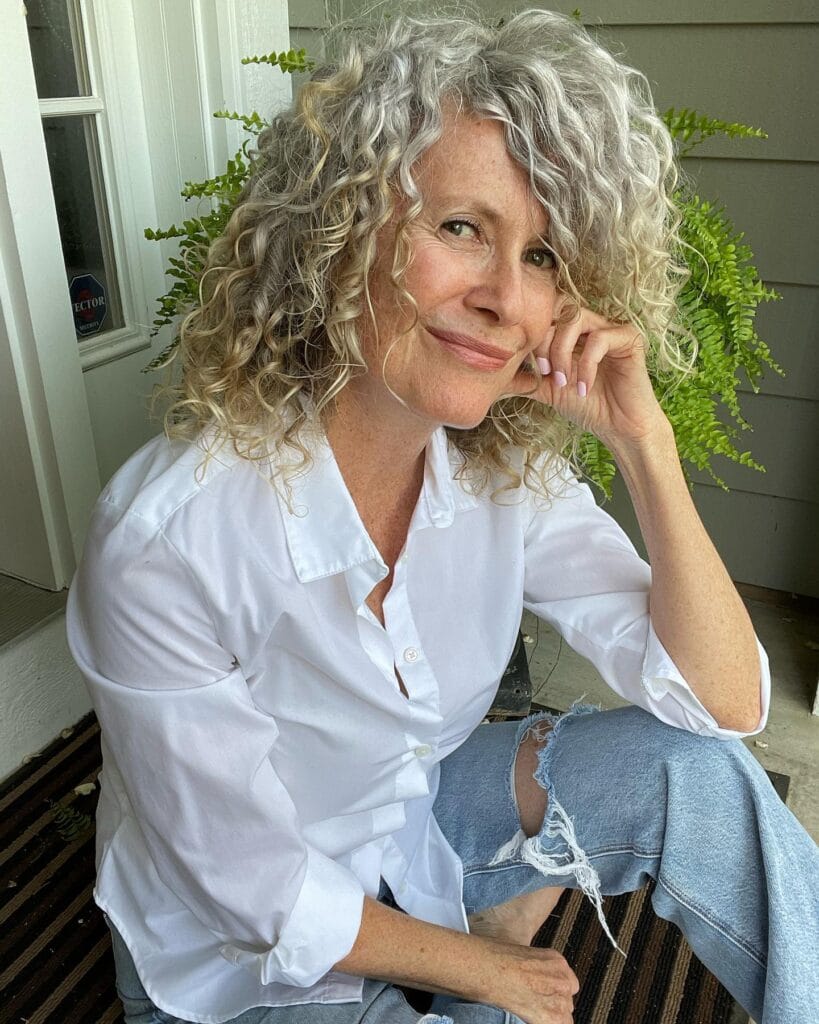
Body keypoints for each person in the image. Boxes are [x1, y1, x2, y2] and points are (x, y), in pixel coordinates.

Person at [66, 9, 819, 1024]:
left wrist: (648, 448)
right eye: (462, 227)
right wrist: (485, 967)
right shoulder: (169, 540)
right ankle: (472, 938)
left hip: (409, 825)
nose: (509, 297)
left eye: (546, 255)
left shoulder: (505, 474)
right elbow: (252, 892)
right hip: (233, 957)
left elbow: (723, 704)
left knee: (698, 769)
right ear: (341, 233)